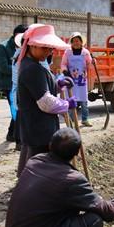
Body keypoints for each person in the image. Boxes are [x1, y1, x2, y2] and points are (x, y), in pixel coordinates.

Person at [15, 24, 76, 177]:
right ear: (32, 46)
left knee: (30, 154)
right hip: (38, 125)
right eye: (45, 48)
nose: (49, 52)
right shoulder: (32, 69)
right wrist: (66, 104)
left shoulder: (31, 64)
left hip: (33, 124)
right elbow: (45, 102)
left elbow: (42, 88)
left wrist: (58, 84)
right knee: (38, 160)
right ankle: (33, 187)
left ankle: (25, 182)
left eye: (50, 48)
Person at [0, 25, 27, 141]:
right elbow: (3, 67)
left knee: (18, 109)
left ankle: (11, 134)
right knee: (17, 109)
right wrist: (21, 68)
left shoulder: (24, 47)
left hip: (20, 82)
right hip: (8, 84)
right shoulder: (3, 47)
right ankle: (18, 139)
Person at [61, 32, 93, 127]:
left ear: (81, 42)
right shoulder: (68, 52)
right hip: (70, 80)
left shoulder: (85, 52)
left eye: (78, 41)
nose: (76, 43)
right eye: (74, 41)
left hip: (81, 80)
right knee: (71, 100)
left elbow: (89, 64)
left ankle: (85, 119)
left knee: (83, 101)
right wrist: (65, 71)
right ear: (71, 42)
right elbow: (63, 64)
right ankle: (71, 120)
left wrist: (92, 61)